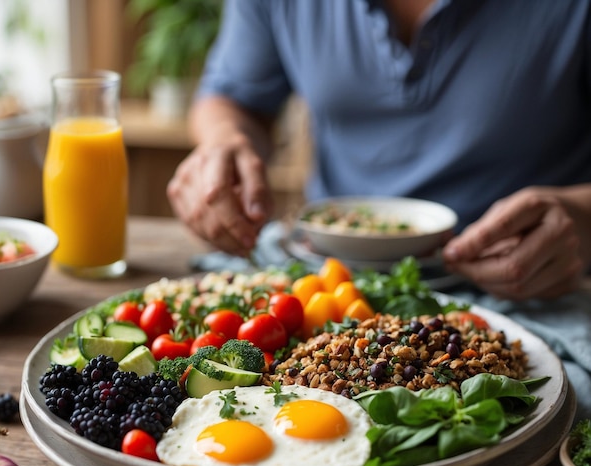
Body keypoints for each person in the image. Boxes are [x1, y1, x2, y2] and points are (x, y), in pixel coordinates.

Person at [167, 0, 591, 301]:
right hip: (328, 284)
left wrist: (583, 216)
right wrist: (225, 140)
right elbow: (233, 98)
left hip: (530, 287)